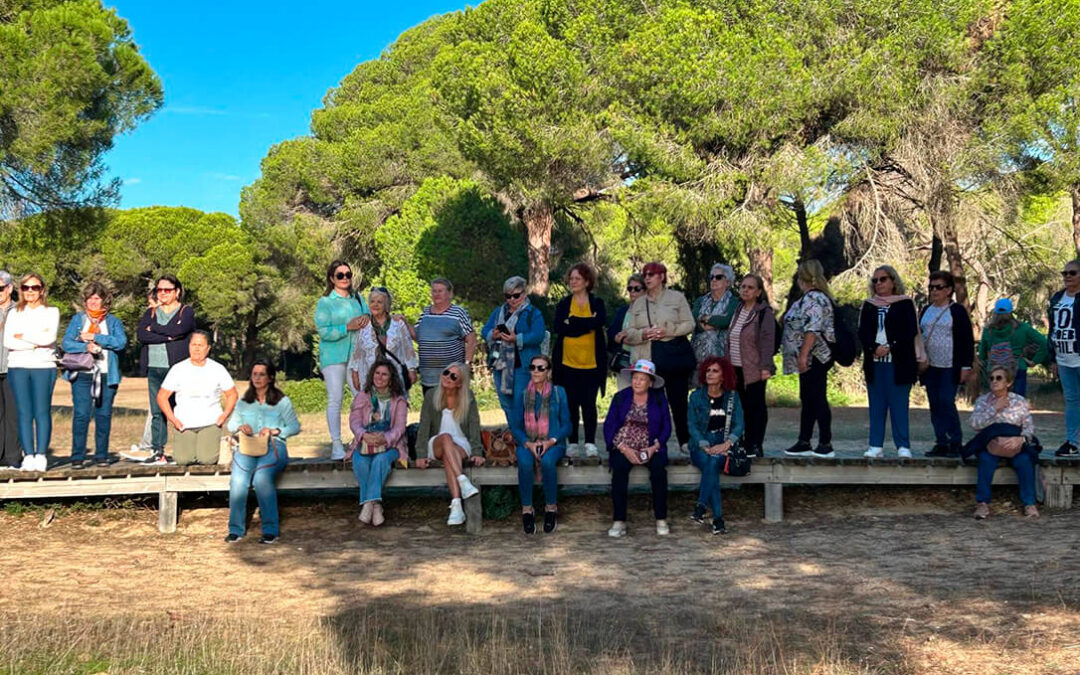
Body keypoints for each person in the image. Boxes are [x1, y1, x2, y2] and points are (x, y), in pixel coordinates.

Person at [225, 359, 299, 544]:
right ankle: (236, 529)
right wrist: (241, 427)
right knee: (238, 479)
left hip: (274, 446)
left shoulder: (282, 401)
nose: (257, 378)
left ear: (270, 377)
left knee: (261, 478)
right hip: (249, 445)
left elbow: (294, 426)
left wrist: (275, 430)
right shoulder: (244, 402)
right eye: (254, 374)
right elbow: (231, 425)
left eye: (261, 374)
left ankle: (270, 530)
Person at [624, 261, 695, 452]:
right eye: (645, 274)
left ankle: (685, 442)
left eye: (651, 274)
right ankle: (653, 444)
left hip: (673, 358)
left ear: (662, 277)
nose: (646, 277)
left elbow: (690, 324)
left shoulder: (677, 298)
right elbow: (628, 331)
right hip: (649, 360)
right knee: (652, 405)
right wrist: (643, 334)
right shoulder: (638, 303)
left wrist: (668, 331)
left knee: (679, 402)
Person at [129, 275, 195, 464]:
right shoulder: (149, 313)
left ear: (177, 291)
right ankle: (158, 452)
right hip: (154, 368)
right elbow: (142, 335)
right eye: (159, 290)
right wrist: (167, 337)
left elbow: (179, 331)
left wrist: (155, 329)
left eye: (167, 290)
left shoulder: (186, 312)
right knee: (157, 411)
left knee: (180, 410)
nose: (163, 293)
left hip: (177, 368)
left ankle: (185, 451)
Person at [61, 281, 128, 468]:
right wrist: (85, 346)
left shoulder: (113, 321)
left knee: (104, 415)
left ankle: (101, 455)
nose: (93, 301)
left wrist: (96, 337)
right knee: (81, 415)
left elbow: (120, 342)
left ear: (104, 300)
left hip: (107, 374)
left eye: (97, 298)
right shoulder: (78, 320)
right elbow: (66, 343)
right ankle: (77, 456)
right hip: (82, 374)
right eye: (89, 298)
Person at [603, 359, 673, 538]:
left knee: (659, 471)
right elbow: (609, 426)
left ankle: (661, 518)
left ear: (650, 382)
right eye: (635, 377)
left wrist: (654, 447)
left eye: (642, 379)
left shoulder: (658, 398)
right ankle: (619, 521)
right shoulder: (621, 397)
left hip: (651, 445)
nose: (637, 382)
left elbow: (666, 427)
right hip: (623, 445)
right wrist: (623, 448)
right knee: (618, 470)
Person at [858, 265, 918, 459]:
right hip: (875, 362)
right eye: (875, 280)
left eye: (883, 279)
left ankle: (903, 446)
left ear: (893, 281)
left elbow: (910, 331)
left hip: (899, 362)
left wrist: (891, 345)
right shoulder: (869, 305)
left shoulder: (905, 303)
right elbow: (862, 332)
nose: (878, 284)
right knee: (876, 404)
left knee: (899, 404)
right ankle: (875, 445)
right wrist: (874, 347)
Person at [415, 362, 485, 526]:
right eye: (446, 373)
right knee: (446, 438)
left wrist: (477, 452)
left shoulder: (468, 397)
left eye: (453, 376)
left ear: (460, 382)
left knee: (449, 455)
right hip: (437, 441)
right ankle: (462, 481)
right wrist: (420, 454)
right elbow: (423, 426)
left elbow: (475, 425)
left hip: (461, 443)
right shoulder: (431, 395)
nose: (447, 377)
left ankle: (456, 506)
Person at [2, 273, 58, 471]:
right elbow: (8, 341)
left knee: (41, 411)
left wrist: (23, 336)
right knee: (23, 413)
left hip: (44, 366)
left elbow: (48, 338)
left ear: (41, 289)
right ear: (21, 290)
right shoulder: (14, 313)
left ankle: (41, 454)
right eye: (26, 287)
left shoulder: (51, 312)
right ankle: (28, 455)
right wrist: (35, 341)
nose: (30, 291)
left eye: (34, 287)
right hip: (18, 366)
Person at [156, 331, 239, 466]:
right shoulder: (178, 369)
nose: (196, 348)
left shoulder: (217, 369)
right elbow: (161, 396)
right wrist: (173, 419)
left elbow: (232, 394)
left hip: (210, 422)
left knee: (207, 460)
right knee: (183, 460)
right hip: (184, 424)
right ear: (188, 346)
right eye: (193, 344)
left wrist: (224, 416)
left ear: (208, 348)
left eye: (200, 345)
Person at [966, 366, 1039, 519]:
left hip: (1014, 445)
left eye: (999, 378)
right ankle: (982, 504)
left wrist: (1021, 439)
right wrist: (994, 409)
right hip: (992, 445)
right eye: (992, 378)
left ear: (1009, 382)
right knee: (985, 460)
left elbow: (1029, 427)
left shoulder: (1019, 401)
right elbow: (974, 424)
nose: (994, 381)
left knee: (1025, 461)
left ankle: (1029, 503)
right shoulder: (983, 401)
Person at [509, 354, 570, 535]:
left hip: (553, 442)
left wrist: (551, 441)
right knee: (525, 462)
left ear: (548, 372)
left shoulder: (559, 393)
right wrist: (527, 443)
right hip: (528, 442)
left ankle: (551, 507)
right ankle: (527, 509)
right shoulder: (522, 395)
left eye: (541, 368)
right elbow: (515, 426)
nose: (536, 371)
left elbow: (567, 425)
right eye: (533, 367)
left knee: (548, 462)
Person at [314, 260, 369, 460]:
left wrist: (365, 320)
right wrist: (347, 327)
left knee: (361, 397)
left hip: (357, 356)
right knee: (335, 399)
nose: (345, 278)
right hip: (333, 356)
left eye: (348, 274)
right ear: (332, 278)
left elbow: (369, 318)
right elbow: (323, 331)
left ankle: (362, 439)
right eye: (340, 275)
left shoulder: (358, 299)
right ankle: (337, 445)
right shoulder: (325, 302)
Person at [781, 260, 836, 458]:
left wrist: (803, 355)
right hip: (805, 357)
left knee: (817, 396)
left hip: (815, 356)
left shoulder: (815, 299)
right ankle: (804, 440)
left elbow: (812, 329)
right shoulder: (805, 298)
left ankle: (825, 442)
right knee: (808, 398)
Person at [552, 263, 607, 458]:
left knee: (589, 405)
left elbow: (599, 322)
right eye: (571, 279)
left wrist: (574, 322)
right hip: (567, 364)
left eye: (577, 278)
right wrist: (586, 324)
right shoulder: (564, 304)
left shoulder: (597, 302)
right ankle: (573, 442)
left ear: (587, 281)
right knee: (571, 405)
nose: (572, 282)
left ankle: (590, 443)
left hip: (592, 364)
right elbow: (559, 327)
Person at [918, 271, 975, 457]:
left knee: (945, 400)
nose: (934, 291)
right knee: (934, 403)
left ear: (949, 289)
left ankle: (955, 441)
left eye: (939, 287)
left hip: (951, 366)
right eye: (931, 287)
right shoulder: (926, 310)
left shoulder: (957, 311)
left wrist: (966, 366)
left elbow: (966, 340)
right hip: (930, 366)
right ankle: (941, 441)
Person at [687, 356, 744, 535]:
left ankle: (702, 508)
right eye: (708, 370)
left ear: (723, 375)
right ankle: (717, 519)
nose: (710, 374)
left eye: (715, 371)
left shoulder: (732, 397)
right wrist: (703, 445)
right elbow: (692, 425)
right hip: (700, 444)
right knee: (711, 465)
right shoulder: (696, 396)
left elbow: (739, 424)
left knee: (712, 465)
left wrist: (727, 444)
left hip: (723, 443)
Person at [349, 360, 408, 527]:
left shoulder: (399, 400)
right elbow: (354, 421)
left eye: (384, 374)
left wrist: (386, 438)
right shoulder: (363, 396)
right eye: (377, 373)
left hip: (391, 444)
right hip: (366, 441)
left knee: (380, 461)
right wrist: (364, 435)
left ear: (391, 379)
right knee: (359, 460)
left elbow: (400, 428)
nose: (379, 377)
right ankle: (376, 505)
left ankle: (367, 503)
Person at [481, 276, 546, 426]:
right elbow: (485, 330)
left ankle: (526, 437)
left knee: (521, 404)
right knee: (506, 404)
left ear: (524, 294)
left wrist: (517, 338)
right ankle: (515, 436)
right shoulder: (499, 312)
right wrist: (493, 334)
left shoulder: (532, 313)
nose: (512, 299)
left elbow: (538, 334)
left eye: (516, 295)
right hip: (500, 365)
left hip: (522, 365)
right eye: (508, 296)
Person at [727, 274, 775, 457]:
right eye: (743, 287)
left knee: (756, 407)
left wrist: (765, 366)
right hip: (735, 367)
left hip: (754, 368)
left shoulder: (764, 312)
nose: (745, 290)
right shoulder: (738, 309)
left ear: (758, 292)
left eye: (750, 287)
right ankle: (744, 442)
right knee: (741, 407)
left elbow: (767, 341)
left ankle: (756, 444)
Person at [411, 278, 476, 394]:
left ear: (450, 293)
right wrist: (403, 323)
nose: (436, 294)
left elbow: (471, 339)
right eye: (434, 291)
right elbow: (417, 336)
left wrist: (467, 364)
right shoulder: (425, 313)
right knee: (431, 411)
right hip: (428, 379)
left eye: (440, 291)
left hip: (451, 378)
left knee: (452, 411)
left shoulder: (458, 313)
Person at [347, 286, 417, 394]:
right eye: (372, 301)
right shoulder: (364, 326)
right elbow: (357, 352)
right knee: (372, 408)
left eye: (379, 302)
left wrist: (411, 369)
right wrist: (355, 373)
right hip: (370, 377)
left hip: (394, 377)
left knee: (395, 407)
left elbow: (407, 348)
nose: (375, 304)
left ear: (386, 305)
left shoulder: (398, 324)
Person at [977, 298, 1046, 399]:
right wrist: (1035, 360)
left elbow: (982, 354)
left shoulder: (988, 330)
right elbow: (1043, 342)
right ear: (1011, 311)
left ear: (995, 311)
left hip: (995, 371)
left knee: (996, 402)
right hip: (1017, 368)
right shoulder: (1022, 328)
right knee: (1017, 403)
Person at [1050, 259, 1080, 457]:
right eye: (1065, 273)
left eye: (1072, 273)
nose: (1067, 276)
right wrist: (1053, 358)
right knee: (1072, 401)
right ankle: (1073, 442)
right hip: (1063, 358)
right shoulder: (1058, 298)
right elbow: (1052, 329)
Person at [691, 263, 737, 377]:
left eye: (718, 277)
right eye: (711, 277)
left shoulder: (734, 302)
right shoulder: (700, 301)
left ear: (728, 282)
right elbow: (692, 320)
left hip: (723, 354)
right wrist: (712, 322)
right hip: (698, 354)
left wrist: (704, 318)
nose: (714, 280)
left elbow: (726, 320)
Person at [0, 271, 21, 469]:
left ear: (9, 288)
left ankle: (13, 458)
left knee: (14, 415)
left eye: (0, 288)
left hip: (14, 367)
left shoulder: (20, 311)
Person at [607, 273, 646, 375]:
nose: (632, 291)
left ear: (645, 290)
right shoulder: (622, 311)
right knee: (625, 390)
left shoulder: (651, 312)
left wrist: (632, 337)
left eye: (637, 288)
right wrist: (619, 338)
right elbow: (611, 332)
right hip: (623, 361)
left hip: (644, 362)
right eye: (630, 288)